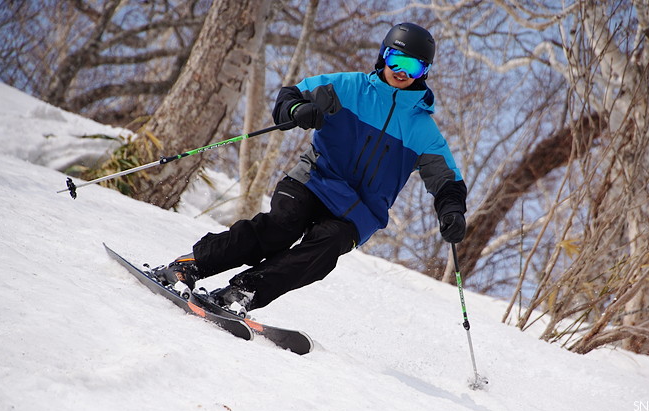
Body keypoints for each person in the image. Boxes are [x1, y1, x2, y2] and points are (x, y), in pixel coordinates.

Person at [154, 22, 467, 313]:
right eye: (395, 59)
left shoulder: (423, 130)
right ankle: (189, 265)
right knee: (280, 227)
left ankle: (242, 293)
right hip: (314, 181)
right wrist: (297, 108)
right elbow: (290, 95)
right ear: (383, 56)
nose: (401, 71)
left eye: (412, 66)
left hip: (359, 213)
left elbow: (447, 181)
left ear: (424, 72)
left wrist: (451, 210)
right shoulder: (348, 88)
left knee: (321, 251)